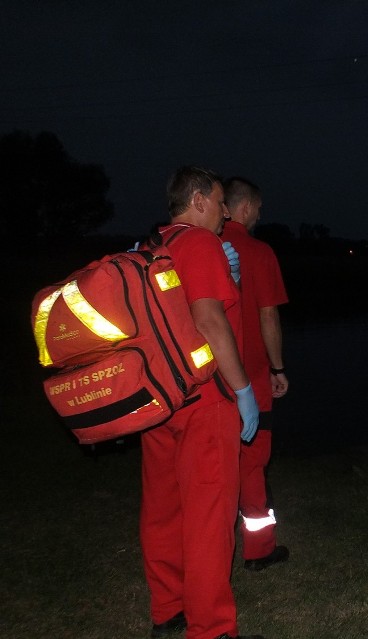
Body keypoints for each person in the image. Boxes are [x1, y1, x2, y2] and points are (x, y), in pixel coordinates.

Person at [140, 166, 264, 639]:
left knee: (163, 509)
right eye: (218, 202)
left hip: (160, 398)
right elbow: (209, 320)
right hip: (204, 400)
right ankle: (211, 629)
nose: (225, 211)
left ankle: (167, 609)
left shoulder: (153, 246)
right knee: (210, 517)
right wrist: (244, 390)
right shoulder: (202, 243)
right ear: (196, 201)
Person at [221, 176, 290, 572]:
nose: (260, 216)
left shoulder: (203, 247)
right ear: (245, 208)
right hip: (252, 377)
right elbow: (269, 317)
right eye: (259, 209)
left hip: (209, 376)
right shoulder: (259, 252)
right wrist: (278, 368)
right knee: (252, 460)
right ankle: (259, 550)